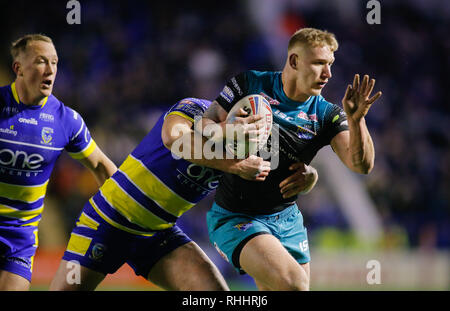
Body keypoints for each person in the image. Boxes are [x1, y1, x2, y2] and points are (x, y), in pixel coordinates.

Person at [49, 97, 318, 291]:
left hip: (159, 234)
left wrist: (309, 178)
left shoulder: (248, 147)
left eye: (256, 132)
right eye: (245, 122)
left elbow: (285, 179)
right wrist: (233, 165)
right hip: (109, 220)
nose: (247, 137)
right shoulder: (194, 109)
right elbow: (173, 139)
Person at [196, 27, 382, 291]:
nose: (328, 74)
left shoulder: (326, 114)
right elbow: (204, 124)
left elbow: (361, 165)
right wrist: (230, 130)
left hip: (287, 220)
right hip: (237, 217)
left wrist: (356, 120)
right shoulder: (250, 84)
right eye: (319, 64)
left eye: (330, 65)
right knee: (295, 285)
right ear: (294, 61)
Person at [0, 34, 117, 290]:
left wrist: (133, 214)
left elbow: (102, 168)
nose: (51, 69)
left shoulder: (66, 121)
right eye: (41, 61)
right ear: (18, 68)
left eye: (54, 62)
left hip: (19, 238)